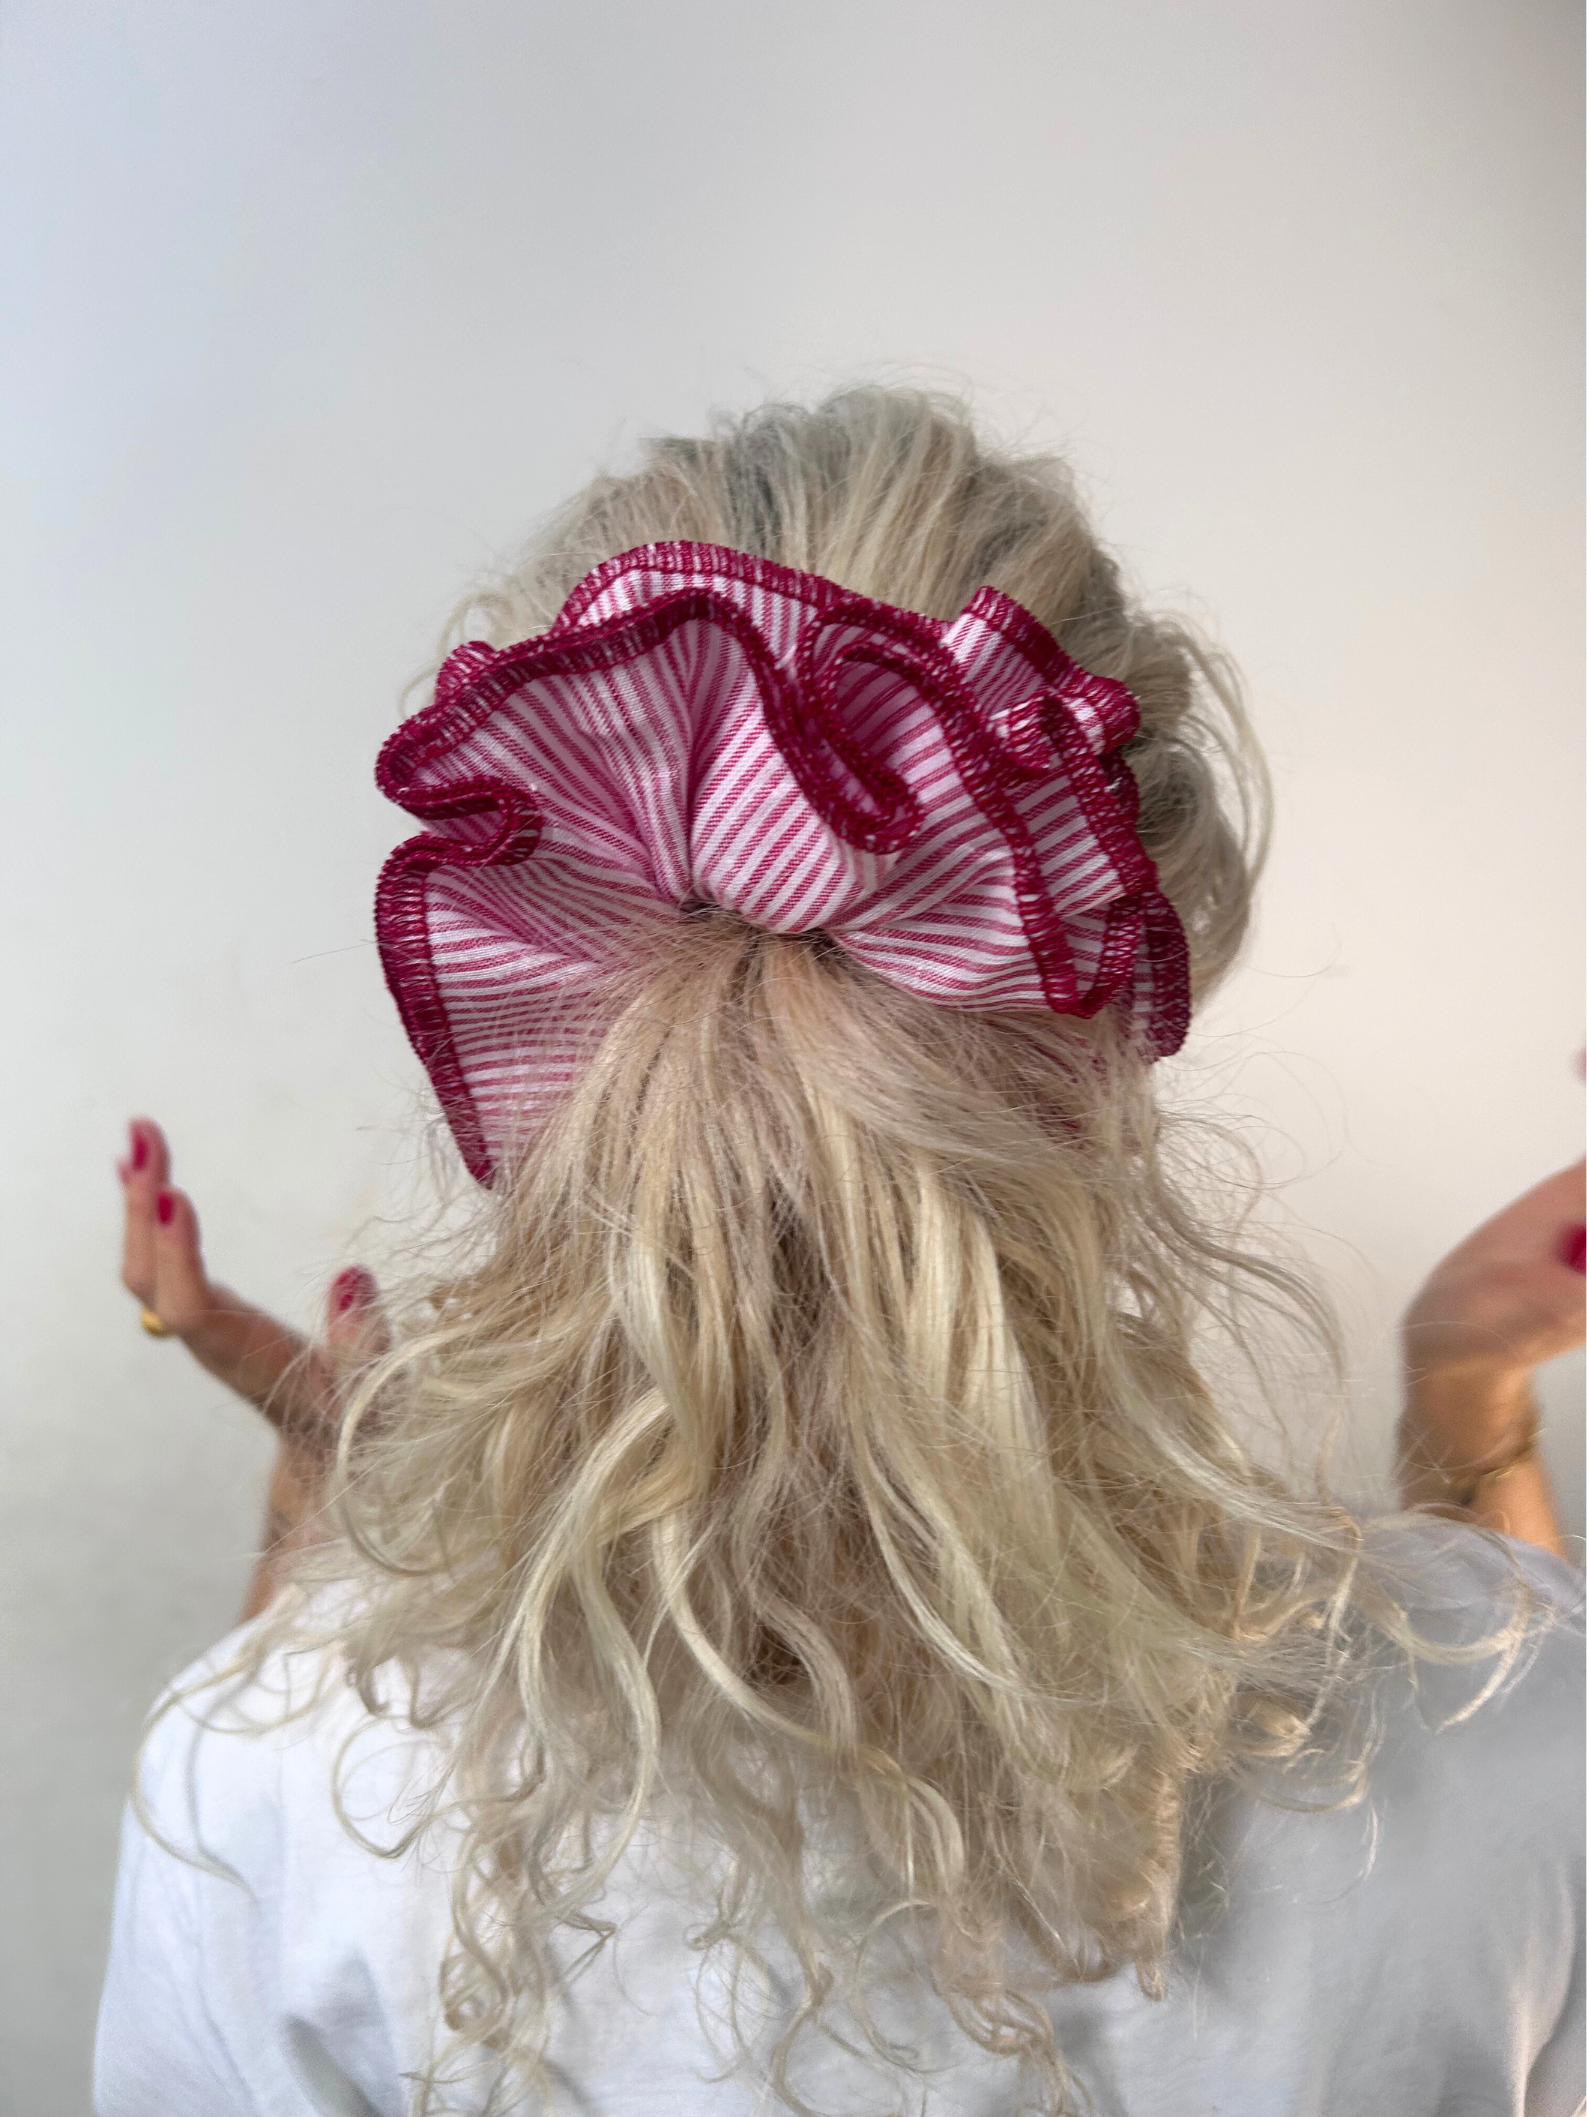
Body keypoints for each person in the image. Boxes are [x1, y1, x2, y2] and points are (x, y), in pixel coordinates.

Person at [95, 389, 1585, 2117]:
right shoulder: (1519, 1715)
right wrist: (1464, 1406)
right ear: (1120, 1009)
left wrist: (324, 1553)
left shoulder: (262, 1778)